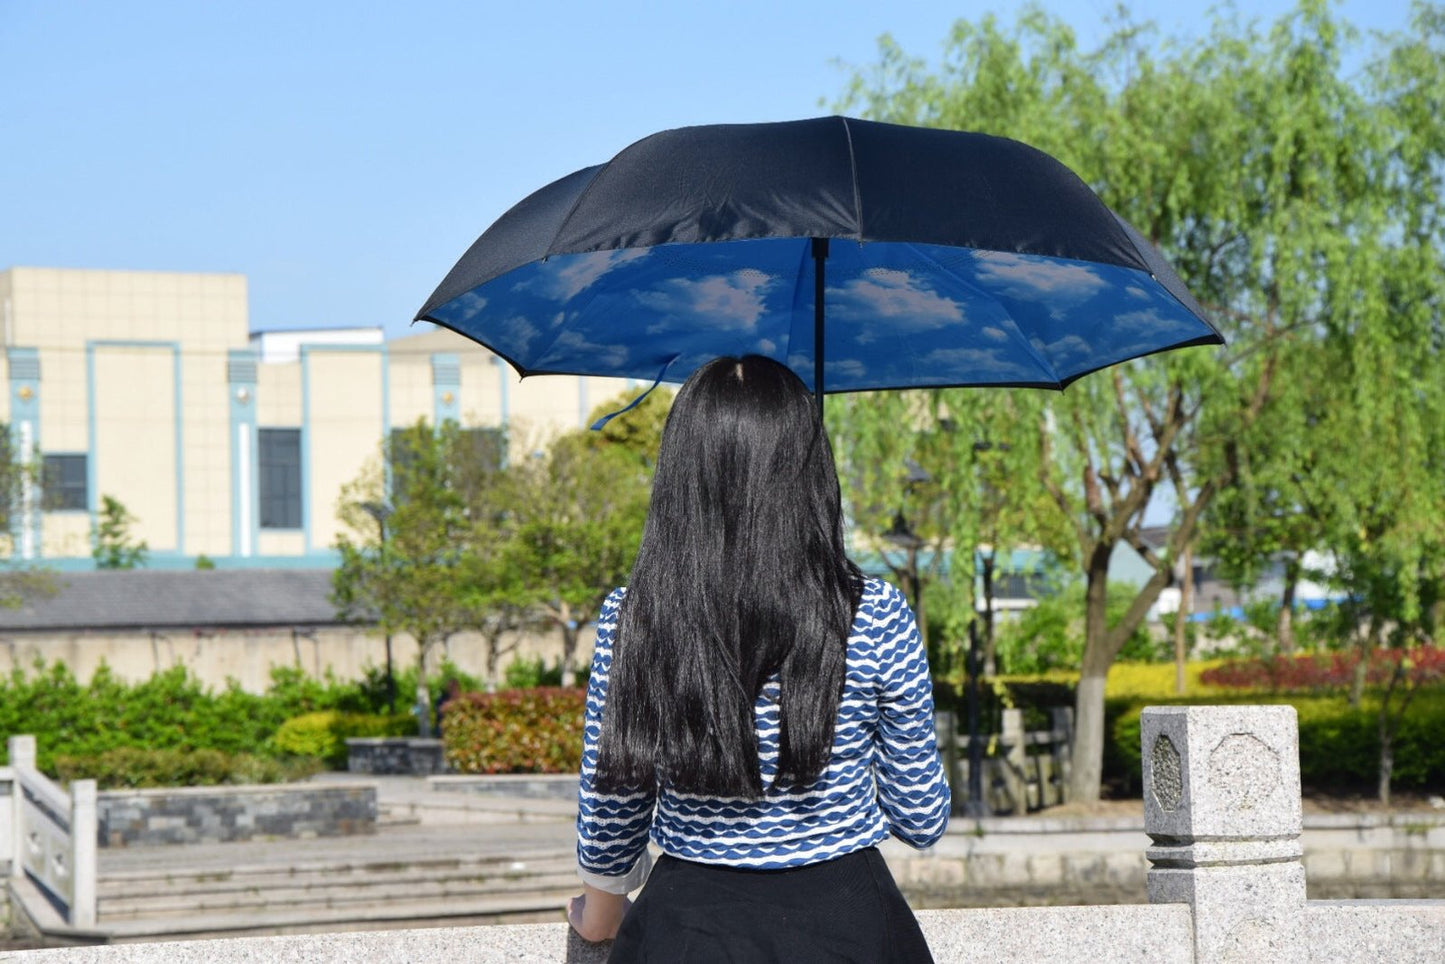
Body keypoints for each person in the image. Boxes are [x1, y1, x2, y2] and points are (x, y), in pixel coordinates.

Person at [567, 355, 950, 962]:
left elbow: (614, 805)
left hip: (686, 929)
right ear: (810, 470)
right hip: (851, 924)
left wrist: (598, 915)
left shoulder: (634, 614)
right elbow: (921, 818)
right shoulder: (876, 613)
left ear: (681, 473)